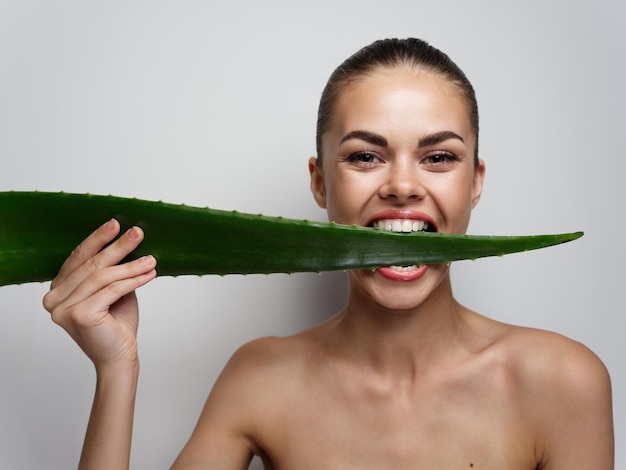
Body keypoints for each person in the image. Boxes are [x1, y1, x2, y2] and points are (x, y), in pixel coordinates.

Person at [43, 38, 614, 469]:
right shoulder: (261, 377)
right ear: (319, 183)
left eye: (439, 158)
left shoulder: (563, 383)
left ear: (476, 182)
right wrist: (116, 369)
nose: (402, 186)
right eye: (366, 156)